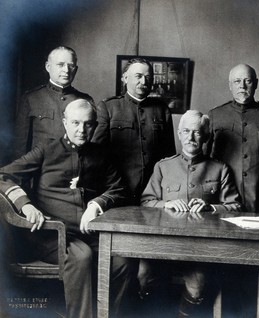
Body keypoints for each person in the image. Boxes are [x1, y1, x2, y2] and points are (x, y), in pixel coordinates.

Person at [0, 99, 132, 318]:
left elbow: (119, 188)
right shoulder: (46, 150)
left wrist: (96, 204)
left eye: (88, 124)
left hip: (90, 234)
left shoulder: (100, 154)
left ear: (95, 124)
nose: (82, 130)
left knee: (122, 262)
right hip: (52, 235)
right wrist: (26, 206)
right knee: (82, 256)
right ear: (64, 123)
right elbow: (3, 175)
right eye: (76, 123)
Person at [140, 110, 242, 317]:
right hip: (161, 244)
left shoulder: (219, 169)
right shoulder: (163, 166)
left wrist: (209, 207)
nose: (191, 137)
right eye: (186, 131)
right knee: (143, 274)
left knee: (197, 285)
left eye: (197, 132)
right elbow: (146, 201)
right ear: (179, 134)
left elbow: (235, 206)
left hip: (200, 247)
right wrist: (165, 205)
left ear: (206, 136)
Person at [92, 58, 176, 203]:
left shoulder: (162, 110)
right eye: (138, 76)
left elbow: (169, 157)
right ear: (125, 78)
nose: (144, 82)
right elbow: (96, 153)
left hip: (153, 192)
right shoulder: (108, 107)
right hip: (117, 189)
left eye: (148, 77)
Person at [206, 64, 259, 212]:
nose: (242, 86)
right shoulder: (215, 115)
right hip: (222, 197)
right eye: (237, 81)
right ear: (230, 85)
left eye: (247, 81)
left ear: (256, 84)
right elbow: (205, 160)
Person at [14, 46, 93, 159]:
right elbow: (19, 146)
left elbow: (90, 145)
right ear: (48, 67)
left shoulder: (86, 100)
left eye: (71, 66)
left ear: (75, 69)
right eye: (60, 65)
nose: (66, 70)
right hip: (41, 171)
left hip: (74, 169)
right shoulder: (31, 98)